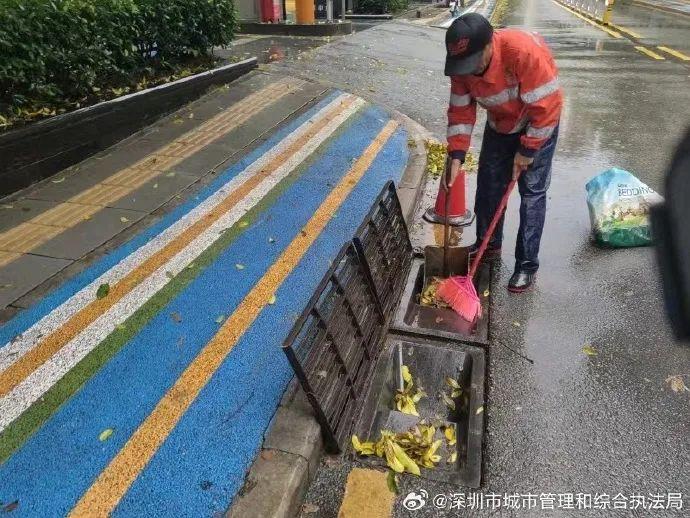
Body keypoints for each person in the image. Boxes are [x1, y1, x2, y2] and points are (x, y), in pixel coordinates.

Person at [444, 13, 563, 292]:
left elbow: (547, 108)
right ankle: (489, 243)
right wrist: (456, 154)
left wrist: (527, 149)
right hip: (500, 123)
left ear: (489, 45)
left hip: (537, 125)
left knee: (531, 193)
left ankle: (526, 265)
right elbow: (460, 111)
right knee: (488, 185)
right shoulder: (462, 68)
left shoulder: (522, 52)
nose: (469, 71)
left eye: (473, 62)